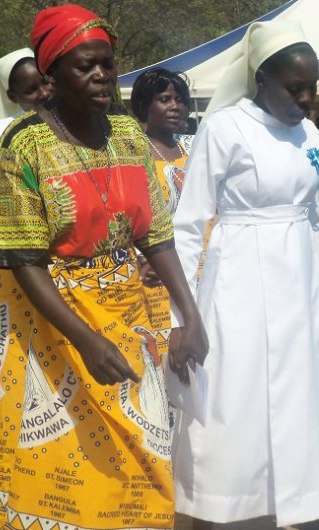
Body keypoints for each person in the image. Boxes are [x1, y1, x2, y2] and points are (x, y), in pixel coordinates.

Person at [0, 5, 207, 530]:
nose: (103, 75)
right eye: (86, 66)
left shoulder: (129, 137)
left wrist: (190, 313)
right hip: (52, 325)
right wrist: (83, 340)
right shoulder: (24, 146)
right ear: (52, 74)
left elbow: (156, 234)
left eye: (108, 63)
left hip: (127, 314)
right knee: (62, 465)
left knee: (139, 457)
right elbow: (24, 261)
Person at [171, 19, 319, 530]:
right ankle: (209, 519)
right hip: (237, 284)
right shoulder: (226, 128)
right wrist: (186, 317)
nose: (307, 98)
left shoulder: (311, 134)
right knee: (230, 402)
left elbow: (314, 223)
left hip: (297, 287)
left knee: (305, 403)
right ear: (263, 78)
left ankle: (312, 520)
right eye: (296, 88)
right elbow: (188, 224)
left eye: (312, 88)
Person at [131, 68, 193, 354]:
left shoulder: (194, 150)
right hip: (152, 272)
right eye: (165, 99)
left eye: (179, 99)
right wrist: (142, 259)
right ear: (144, 106)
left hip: (197, 268)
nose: (175, 106)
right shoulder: (131, 153)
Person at [0, 48, 53, 191]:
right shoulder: (4, 133)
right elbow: (4, 190)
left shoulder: (76, 121)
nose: (44, 93)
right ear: (12, 96)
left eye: (45, 82)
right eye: (31, 90)